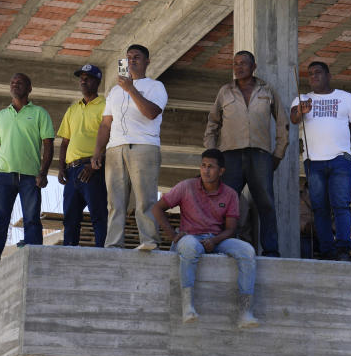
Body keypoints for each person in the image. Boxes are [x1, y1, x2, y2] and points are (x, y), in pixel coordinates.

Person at [151, 149, 259, 328]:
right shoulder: (186, 186)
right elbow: (157, 208)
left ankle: (245, 312)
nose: (206, 170)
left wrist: (214, 241)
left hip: (218, 239)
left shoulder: (231, 194)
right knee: (190, 248)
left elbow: (231, 229)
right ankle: (188, 307)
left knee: (247, 251)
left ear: (221, 171)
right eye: (203, 166)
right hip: (190, 237)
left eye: (211, 167)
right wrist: (174, 235)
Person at [203, 50, 289, 257]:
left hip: (260, 155)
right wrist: (210, 153)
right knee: (225, 203)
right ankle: (220, 245)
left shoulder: (267, 90)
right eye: (235, 64)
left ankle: (270, 250)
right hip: (229, 156)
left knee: (266, 202)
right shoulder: (225, 91)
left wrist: (277, 153)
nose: (238, 67)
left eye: (243, 63)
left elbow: (282, 122)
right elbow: (213, 123)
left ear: (253, 67)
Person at [91, 44, 167, 250]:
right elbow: (106, 123)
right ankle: (114, 244)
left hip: (144, 146)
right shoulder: (115, 91)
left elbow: (151, 113)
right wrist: (98, 151)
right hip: (115, 148)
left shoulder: (155, 86)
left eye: (137, 57)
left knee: (145, 199)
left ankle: (149, 241)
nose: (132, 61)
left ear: (147, 61)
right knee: (114, 201)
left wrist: (131, 89)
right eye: (129, 57)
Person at [0, 73, 54, 275]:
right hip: (3, 177)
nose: (15, 85)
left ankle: (34, 260)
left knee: (31, 219)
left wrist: (44, 172)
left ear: (29, 88)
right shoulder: (1, 116)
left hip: (30, 177)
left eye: (20, 82)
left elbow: (48, 145)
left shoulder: (39, 113)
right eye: (12, 82)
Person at [290, 61, 351, 261]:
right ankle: (327, 251)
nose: (314, 76)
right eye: (310, 74)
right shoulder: (303, 98)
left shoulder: (345, 98)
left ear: (329, 75)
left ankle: (342, 249)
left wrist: (344, 147)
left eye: (318, 72)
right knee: (320, 208)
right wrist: (301, 111)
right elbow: (293, 118)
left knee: (341, 204)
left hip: (340, 160)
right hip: (313, 162)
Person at [56, 64, 108, 247]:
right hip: (71, 171)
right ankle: (68, 253)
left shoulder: (105, 106)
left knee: (98, 215)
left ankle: (103, 252)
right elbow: (65, 142)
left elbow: (111, 139)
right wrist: (61, 167)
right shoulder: (73, 109)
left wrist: (94, 165)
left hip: (93, 169)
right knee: (70, 218)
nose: (83, 81)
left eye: (88, 78)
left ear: (98, 82)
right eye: (81, 78)